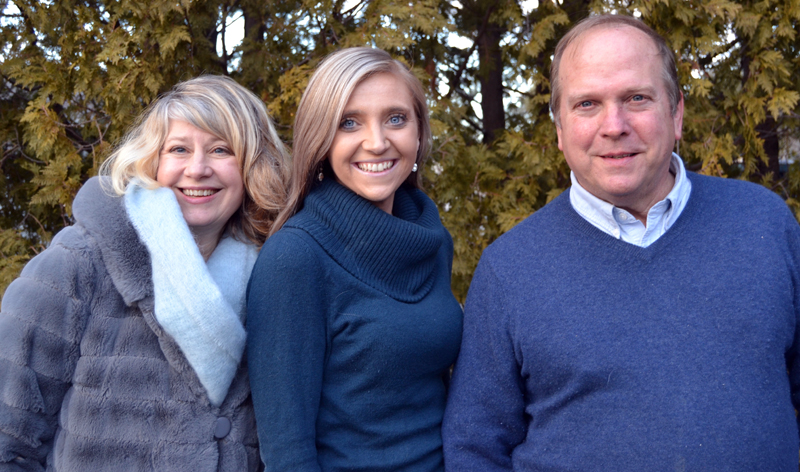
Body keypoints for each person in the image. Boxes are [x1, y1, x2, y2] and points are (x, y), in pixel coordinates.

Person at [442, 14, 800, 471]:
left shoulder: (763, 223)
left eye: (636, 98)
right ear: (559, 130)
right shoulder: (509, 269)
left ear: (676, 114)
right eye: (587, 104)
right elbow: (475, 449)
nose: (614, 125)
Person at [0, 75, 289, 471]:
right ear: (153, 162)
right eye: (179, 149)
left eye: (221, 150)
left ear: (252, 165)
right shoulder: (77, 264)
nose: (198, 168)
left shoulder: (274, 275)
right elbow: (9, 442)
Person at [246, 47, 463, 472]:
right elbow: (287, 453)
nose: (377, 142)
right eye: (349, 123)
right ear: (321, 141)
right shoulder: (296, 258)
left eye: (396, 118)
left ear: (419, 132)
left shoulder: (430, 237)